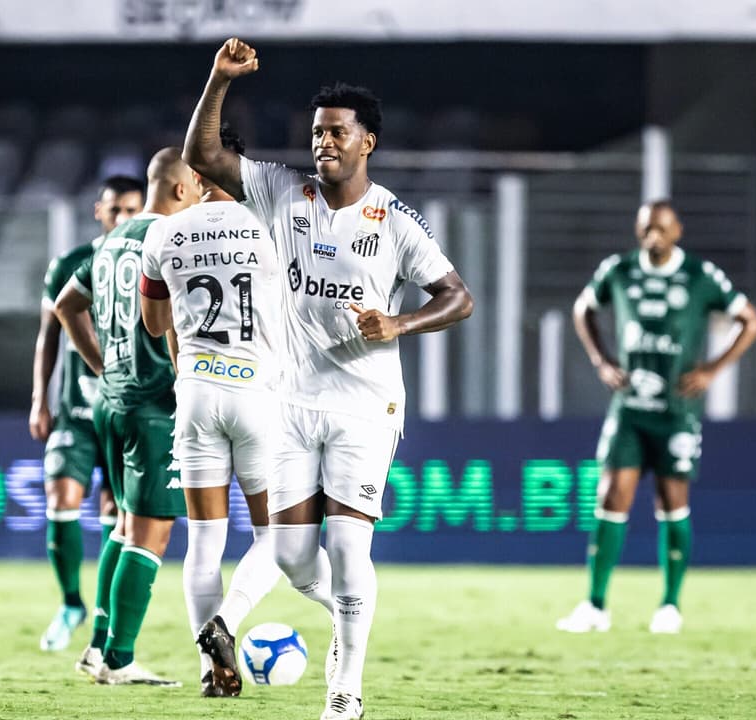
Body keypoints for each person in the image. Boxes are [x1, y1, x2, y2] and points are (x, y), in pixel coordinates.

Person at [183, 38, 474, 720]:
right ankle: (307, 618)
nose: (324, 144)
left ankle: (344, 693)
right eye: (317, 133)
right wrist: (218, 80)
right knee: (287, 554)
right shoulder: (283, 191)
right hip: (287, 404)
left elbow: (457, 295)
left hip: (364, 408)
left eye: (337, 133)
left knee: (346, 546)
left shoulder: (397, 222)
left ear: (367, 141)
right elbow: (203, 158)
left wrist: (398, 325)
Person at [557, 199, 756, 635]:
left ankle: (670, 605)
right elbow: (583, 308)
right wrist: (601, 359)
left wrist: (712, 369)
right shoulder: (619, 269)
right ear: (638, 230)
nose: (654, 236)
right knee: (612, 497)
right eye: (647, 228)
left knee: (672, 504)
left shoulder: (700, 277)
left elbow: (750, 320)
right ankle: (595, 606)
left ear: (677, 232)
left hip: (676, 411)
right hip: (630, 409)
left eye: (662, 229)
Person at [138, 124, 285, 697]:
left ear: (194, 174)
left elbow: (155, 325)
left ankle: (210, 671)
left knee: (203, 542)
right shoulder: (271, 228)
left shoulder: (166, 234)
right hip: (258, 394)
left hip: (196, 392)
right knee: (279, 535)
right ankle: (227, 624)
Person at [53, 148, 198, 685]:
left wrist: (102, 364)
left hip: (110, 401)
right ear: (181, 189)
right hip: (154, 406)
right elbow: (177, 324)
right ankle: (120, 657)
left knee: (123, 526)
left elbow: (67, 305)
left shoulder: (110, 240)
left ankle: (98, 647)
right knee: (152, 532)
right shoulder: (171, 238)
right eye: (199, 192)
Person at [31, 175, 144, 653]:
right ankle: (70, 602)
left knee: (116, 518)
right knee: (60, 494)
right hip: (76, 407)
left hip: (123, 409)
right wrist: (40, 397)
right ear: (99, 211)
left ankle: (102, 626)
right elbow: (49, 333)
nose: (121, 219)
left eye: (131, 210)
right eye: (114, 210)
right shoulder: (71, 264)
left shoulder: (150, 263)